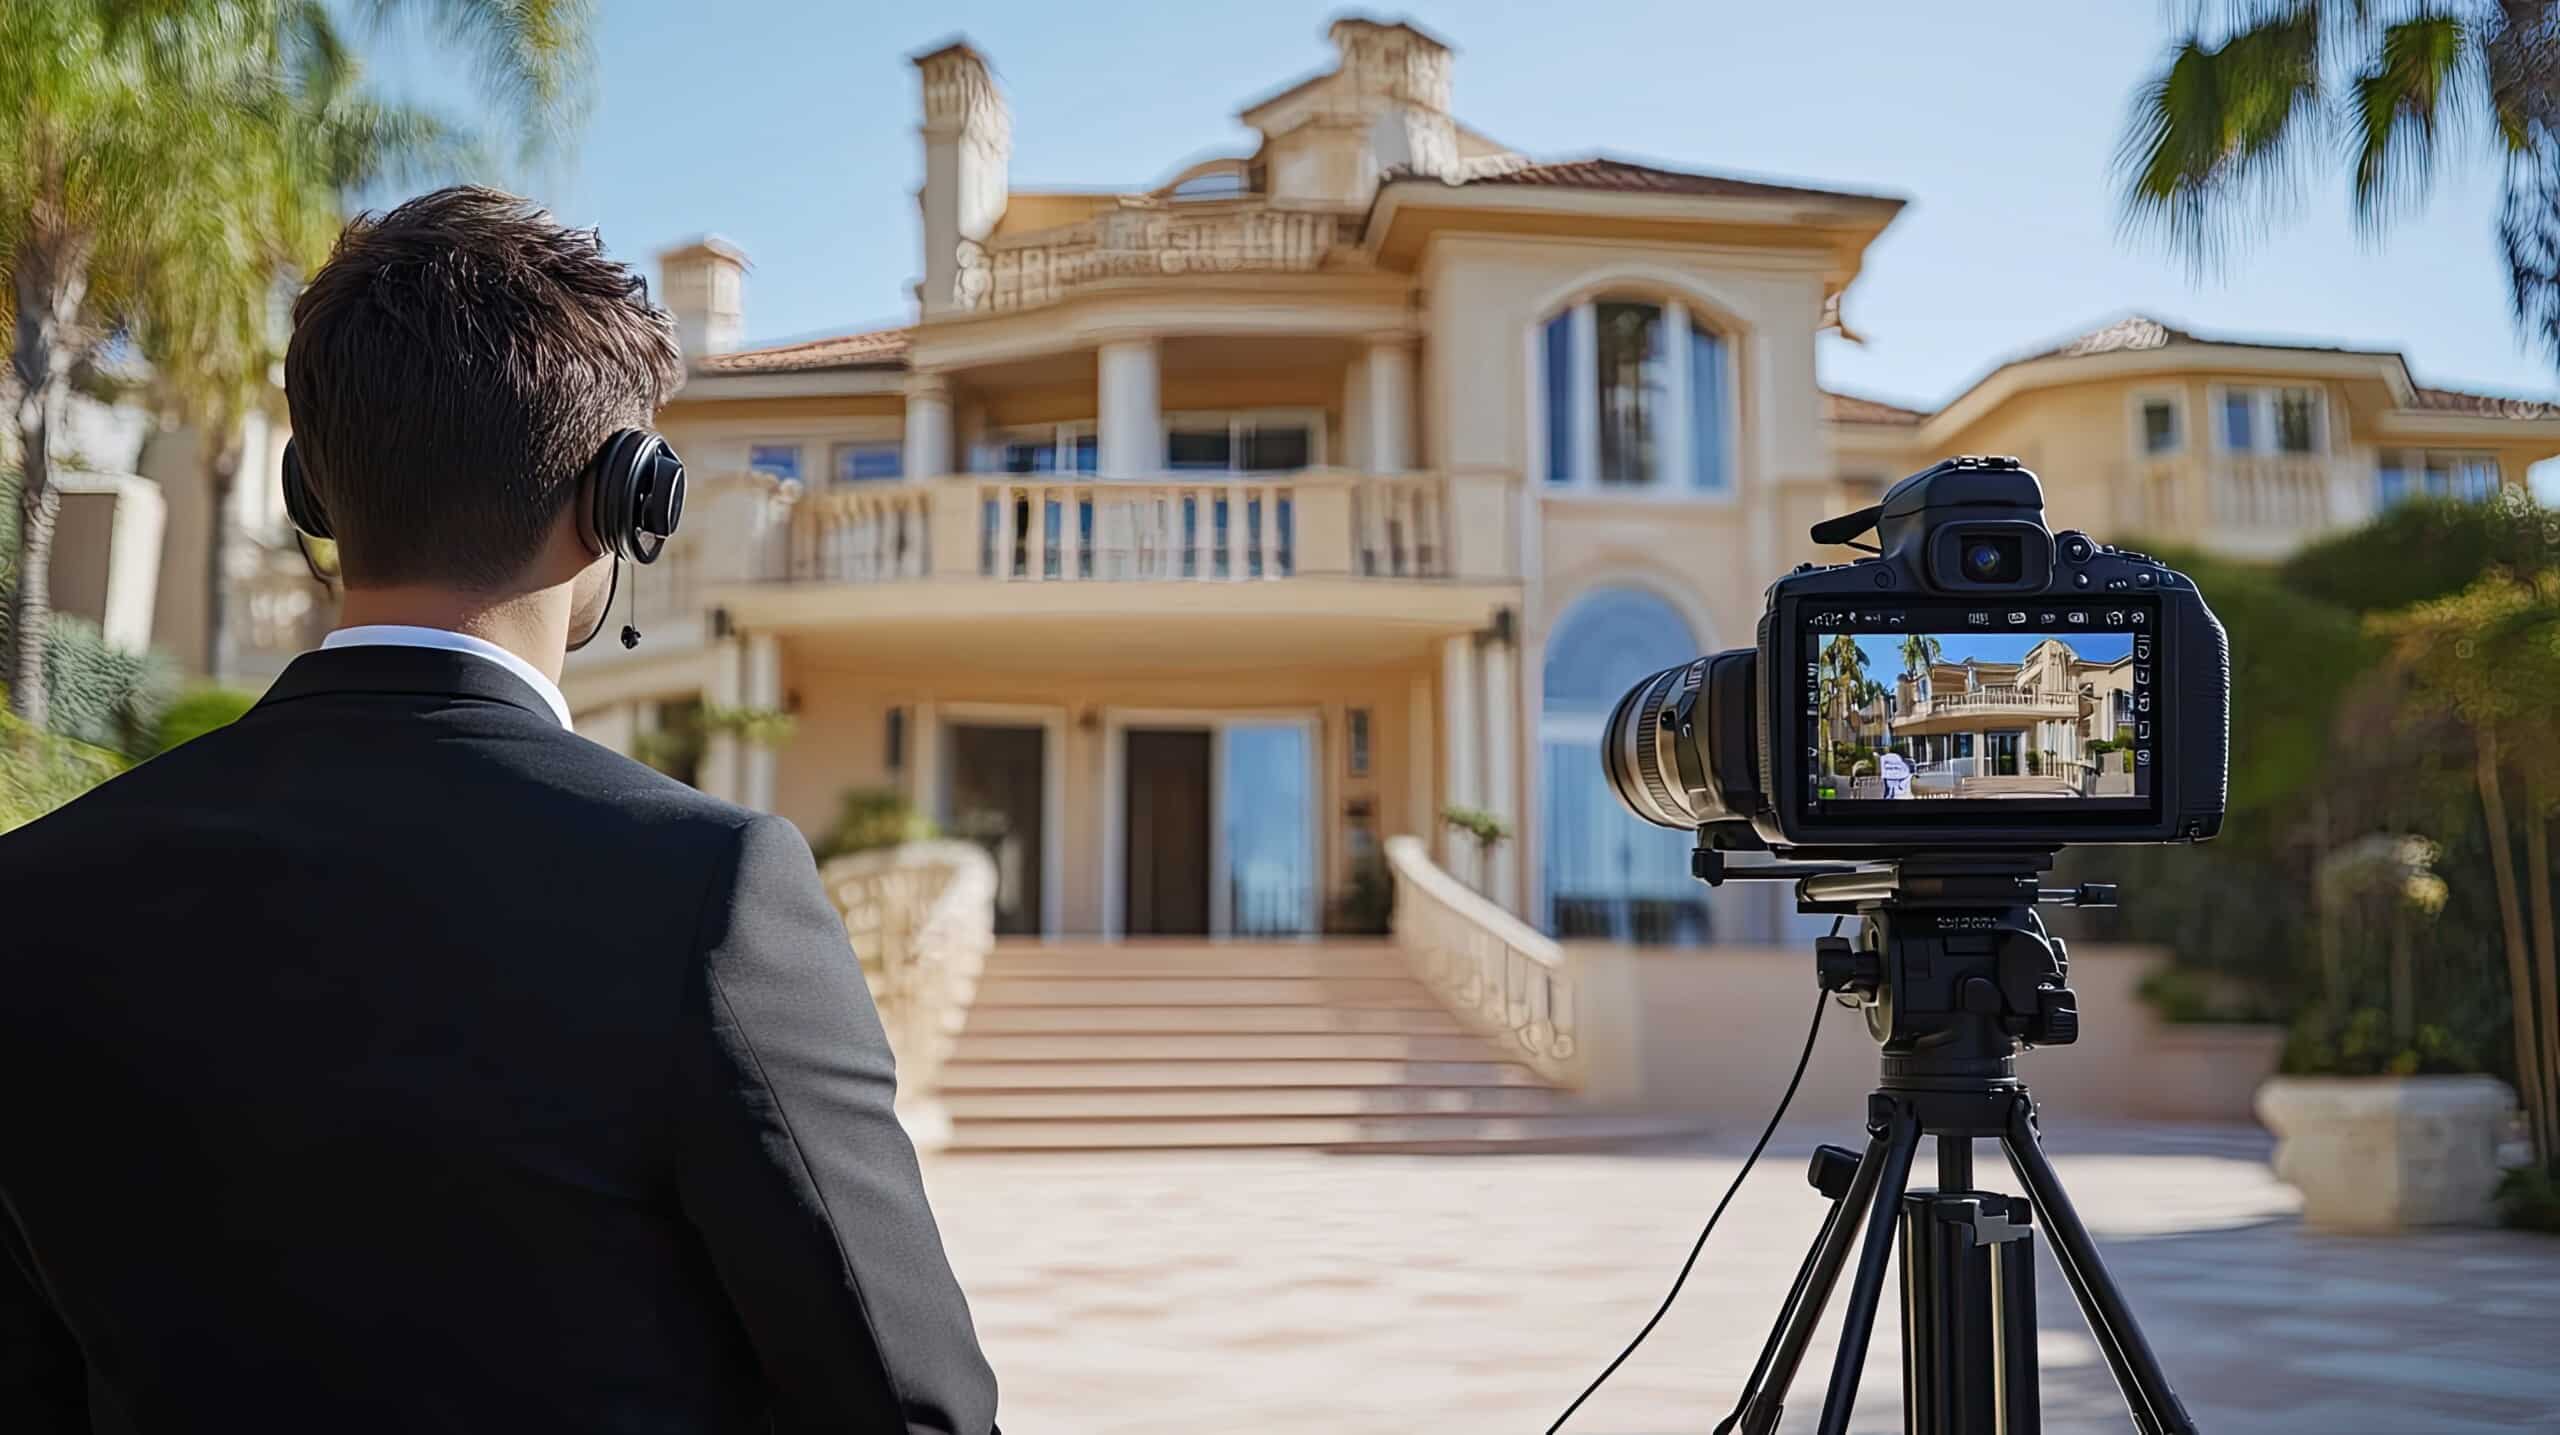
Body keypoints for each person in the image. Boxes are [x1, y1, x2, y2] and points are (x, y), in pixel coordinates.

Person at [0, 187, 997, 1434]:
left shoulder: (32, 891)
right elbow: (911, 1408)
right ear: (627, 501)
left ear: (316, 490)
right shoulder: (711, 890)